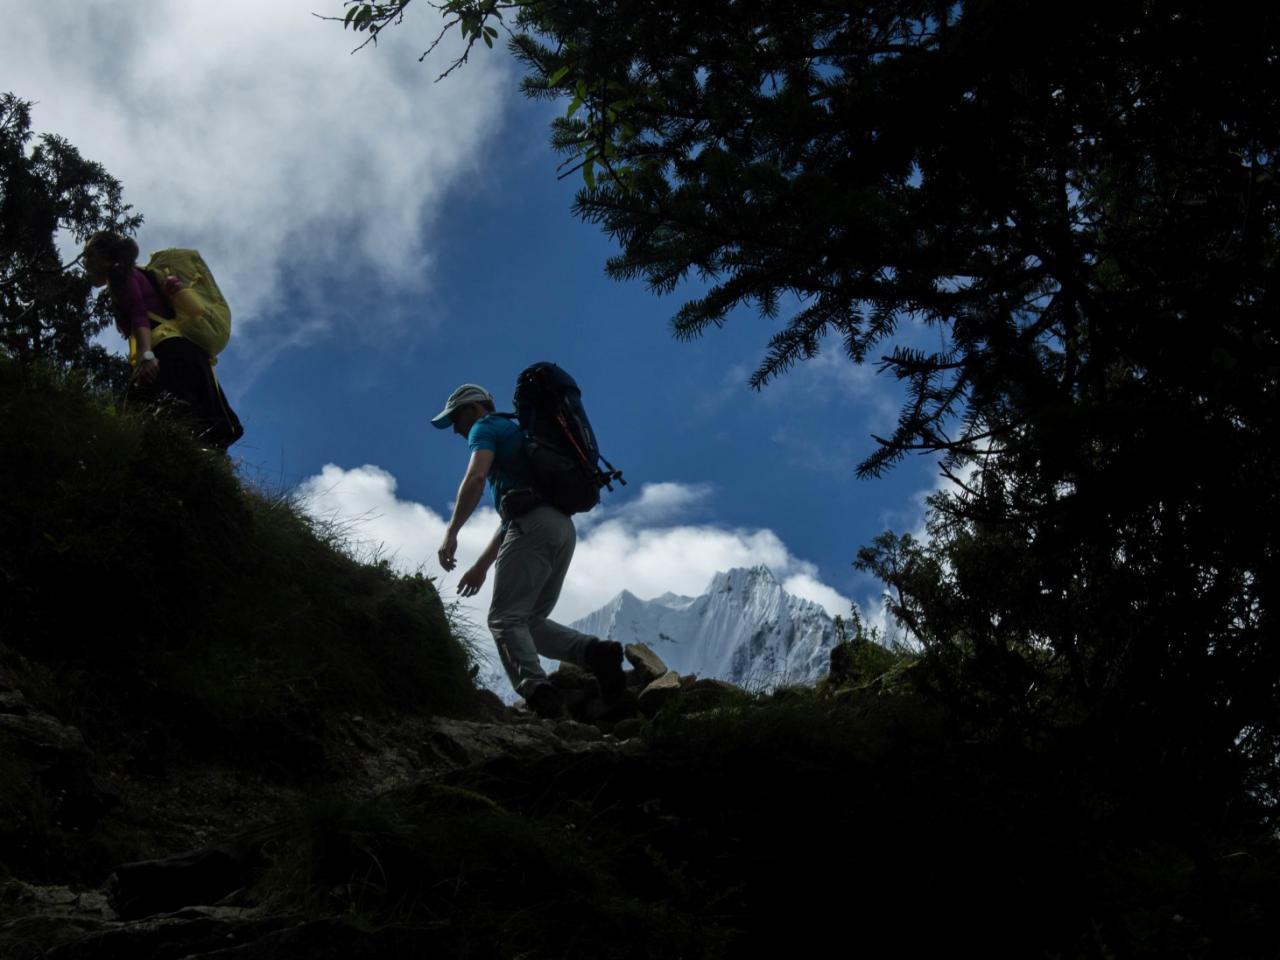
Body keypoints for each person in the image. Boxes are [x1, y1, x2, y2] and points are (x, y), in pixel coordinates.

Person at [432, 382, 624, 719]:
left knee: (504, 620)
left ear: (473, 409)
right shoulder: (520, 434)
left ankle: (540, 696)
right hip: (561, 528)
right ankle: (598, 654)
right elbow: (511, 516)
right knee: (530, 621)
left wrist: (452, 533)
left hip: (533, 526)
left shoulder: (484, 427)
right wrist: (481, 566)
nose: (456, 431)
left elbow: (476, 478)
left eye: (455, 421)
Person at [83, 232, 243, 449]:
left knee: (149, 417)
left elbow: (140, 315)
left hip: (168, 353)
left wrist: (147, 356)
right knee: (201, 423)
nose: (85, 262)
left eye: (89, 255)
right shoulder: (143, 273)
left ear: (104, 255)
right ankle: (208, 470)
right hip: (188, 352)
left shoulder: (120, 277)